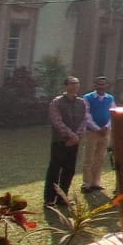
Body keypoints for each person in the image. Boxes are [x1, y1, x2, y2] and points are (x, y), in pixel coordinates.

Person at [45, 76, 87, 210]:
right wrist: (71, 135)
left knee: (69, 170)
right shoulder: (57, 102)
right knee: (54, 170)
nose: (75, 86)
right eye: (72, 83)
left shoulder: (82, 103)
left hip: (74, 142)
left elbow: (85, 120)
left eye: (77, 83)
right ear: (66, 86)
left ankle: (62, 198)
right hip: (60, 141)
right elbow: (56, 121)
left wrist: (77, 136)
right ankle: (50, 199)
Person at [81, 75, 115, 194]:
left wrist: (106, 127)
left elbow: (112, 113)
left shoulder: (110, 98)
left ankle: (96, 182)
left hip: (105, 131)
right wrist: (96, 128)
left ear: (107, 85)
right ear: (95, 85)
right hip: (92, 131)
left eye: (103, 84)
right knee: (89, 157)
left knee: (100, 157)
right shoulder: (87, 97)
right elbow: (86, 114)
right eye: (99, 84)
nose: (101, 86)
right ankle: (87, 183)